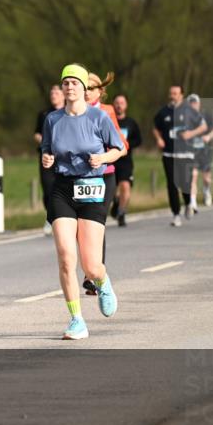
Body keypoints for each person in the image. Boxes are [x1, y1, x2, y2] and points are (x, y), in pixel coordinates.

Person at [41, 64, 124, 340]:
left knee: (90, 265)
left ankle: (102, 281)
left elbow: (119, 149)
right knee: (66, 256)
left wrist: (102, 158)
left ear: (83, 88)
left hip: (91, 188)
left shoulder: (99, 117)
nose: (70, 87)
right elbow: (47, 151)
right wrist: (47, 160)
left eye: (75, 83)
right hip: (63, 189)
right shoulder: (52, 119)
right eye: (65, 83)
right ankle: (76, 319)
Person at [82, 72, 127, 296]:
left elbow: (123, 146)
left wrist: (103, 156)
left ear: (101, 91)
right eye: (85, 87)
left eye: (92, 87)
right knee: (81, 226)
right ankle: (91, 270)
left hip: (104, 175)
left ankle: (95, 276)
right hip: (79, 178)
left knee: (97, 221)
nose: (87, 91)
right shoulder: (71, 112)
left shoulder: (106, 111)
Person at [152, 86, 207, 227]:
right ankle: (176, 214)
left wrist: (190, 134)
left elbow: (203, 126)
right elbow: (155, 128)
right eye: (171, 93)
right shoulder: (163, 112)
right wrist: (159, 139)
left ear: (181, 95)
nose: (172, 96)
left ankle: (189, 203)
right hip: (169, 154)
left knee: (185, 183)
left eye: (175, 93)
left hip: (186, 154)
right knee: (171, 184)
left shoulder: (189, 110)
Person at [35, 85, 65, 235]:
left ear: (63, 95)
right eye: (51, 92)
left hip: (63, 157)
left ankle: (62, 219)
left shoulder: (68, 112)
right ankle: (50, 217)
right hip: (46, 156)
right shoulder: (44, 114)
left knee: (61, 187)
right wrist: (44, 141)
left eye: (56, 92)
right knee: (48, 189)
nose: (53, 94)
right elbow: (37, 134)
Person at [111, 94, 142, 227]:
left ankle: (122, 213)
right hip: (110, 159)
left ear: (126, 105)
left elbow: (138, 140)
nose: (119, 105)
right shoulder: (109, 121)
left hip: (125, 161)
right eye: (117, 103)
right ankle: (116, 202)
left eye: (122, 103)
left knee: (125, 186)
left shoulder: (131, 123)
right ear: (113, 104)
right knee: (111, 188)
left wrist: (128, 144)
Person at [186, 94, 213, 210]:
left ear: (199, 104)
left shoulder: (206, 115)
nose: (193, 105)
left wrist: (209, 136)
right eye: (191, 103)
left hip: (205, 151)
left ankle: (206, 190)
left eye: (195, 103)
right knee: (193, 175)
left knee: (206, 178)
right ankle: (193, 202)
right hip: (192, 151)